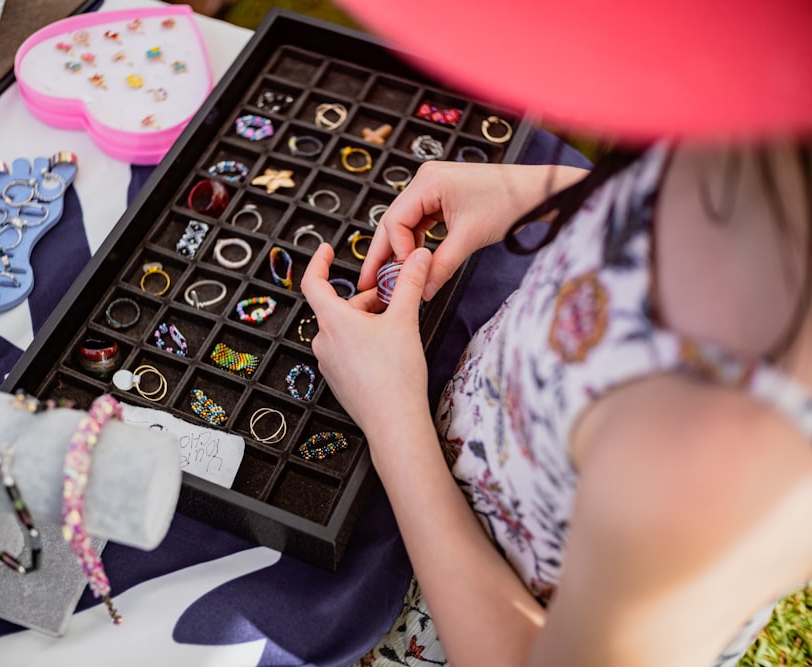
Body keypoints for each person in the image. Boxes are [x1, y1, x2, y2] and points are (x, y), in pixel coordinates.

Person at [300, 0, 812, 665]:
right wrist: (546, 196)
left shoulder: (725, 462)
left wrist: (394, 415)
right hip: (467, 459)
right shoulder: (754, 121)